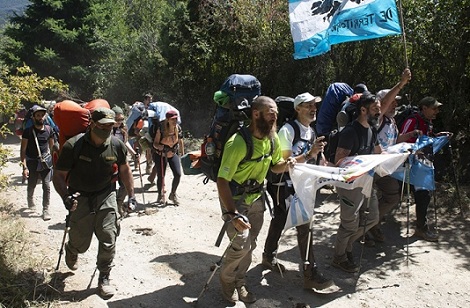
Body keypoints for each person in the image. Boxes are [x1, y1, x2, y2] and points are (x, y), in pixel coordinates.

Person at [217, 96, 294, 303]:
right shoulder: (238, 143)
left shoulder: (272, 138)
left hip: (257, 197)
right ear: (256, 114)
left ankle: (240, 281)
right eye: (270, 112)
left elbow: (276, 166)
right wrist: (232, 214)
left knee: (250, 244)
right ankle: (227, 281)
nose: (275, 116)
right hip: (235, 200)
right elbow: (222, 181)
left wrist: (296, 161)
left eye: (276, 113)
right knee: (240, 245)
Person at [52, 107, 136, 298]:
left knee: (108, 236)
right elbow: (59, 176)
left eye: (110, 126)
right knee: (81, 243)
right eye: (102, 126)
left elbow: (125, 170)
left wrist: (132, 195)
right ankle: (72, 249)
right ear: (92, 124)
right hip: (79, 197)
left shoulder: (117, 145)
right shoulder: (74, 146)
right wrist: (66, 196)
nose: (107, 130)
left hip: (106, 195)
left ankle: (104, 277)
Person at [262, 92, 333, 290]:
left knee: (296, 222)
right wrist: (309, 154)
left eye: (314, 105)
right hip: (282, 185)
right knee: (293, 221)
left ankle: (272, 257)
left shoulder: (311, 131)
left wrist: (321, 161)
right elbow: (283, 164)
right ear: (298, 109)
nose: (313, 109)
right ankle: (308, 272)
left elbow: (310, 159)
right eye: (308, 105)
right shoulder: (288, 130)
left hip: (301, 186)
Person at [331, 93, 381, 273]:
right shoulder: (350, 132)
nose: (379, 112)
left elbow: (379, 153)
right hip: (350, 185)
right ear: (363, 110)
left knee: (373, 218)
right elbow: (339, 161)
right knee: (349, 224)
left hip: (367, 182)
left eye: (379, 108)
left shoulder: (373, 130)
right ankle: (339, 257)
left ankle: (348, 246)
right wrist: (359, 164)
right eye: (375, 109)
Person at [369, 68, 414, 243]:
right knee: (366, 202)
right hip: (369, 167)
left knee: (393, 195)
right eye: (392, 101)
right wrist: (401, 83)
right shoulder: (376, 118)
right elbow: (384, 104)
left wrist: (409, 138)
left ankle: (373, 224)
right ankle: (362, 231)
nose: (395, 104)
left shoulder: (391, 121)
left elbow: (392, 141)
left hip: (385, 167)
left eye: (396, 102)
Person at [399, 96, 446, 242]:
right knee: (408, 195)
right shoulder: (412, 121)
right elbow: (401, 140)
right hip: (409, 165)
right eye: (434, 108)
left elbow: (426, 138)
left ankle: (421, 228)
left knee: (423, 195)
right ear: (424, 108)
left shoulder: (427, 122)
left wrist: (437, 137)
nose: (436, 111)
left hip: (422, 165)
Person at [20, 105, 55, 221]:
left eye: (42, 115)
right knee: (32, 183)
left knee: (46, 185)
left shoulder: (49, 130)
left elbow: (52, 147)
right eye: (38, 115)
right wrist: (24, 167)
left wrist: (54, 161)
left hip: (45, 162)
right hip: (32, 162)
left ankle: (45, 209)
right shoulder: (28, 132)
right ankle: (30, 199)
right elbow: (23, 150)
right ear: (33, 117)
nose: (40, 117)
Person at [152, 110, 184, 205]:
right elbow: (155, 144)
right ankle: (160, 195)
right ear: (168, 120)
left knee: (178, 174)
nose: (175, 121)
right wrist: (161, 147)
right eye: (173, 119)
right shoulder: (161, 129)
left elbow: (180, 140)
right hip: (161, 154)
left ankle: (173, 194)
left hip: (173, 153)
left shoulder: (177, 128)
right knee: (161, 176)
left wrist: (182, 152)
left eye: (176, 119)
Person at [111, 106, 129, 214]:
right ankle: (112, 208)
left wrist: (134, 153)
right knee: (111, 186)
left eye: (121, 119)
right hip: (110, 160)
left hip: (121, 159)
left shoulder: (123, 129)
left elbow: (125, 143)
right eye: (116, 119)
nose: (119, 122)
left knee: (126, 184)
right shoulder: (106, 129)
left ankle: (119, 204)